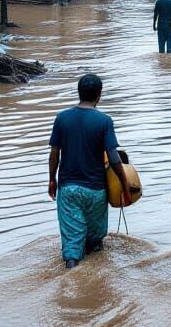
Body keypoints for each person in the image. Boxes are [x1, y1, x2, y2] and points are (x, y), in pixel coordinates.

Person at [48, 74, 129, 269]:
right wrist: (125, 184)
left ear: (79, 93)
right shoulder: (104, 121)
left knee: (72, 245)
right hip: (96, 191)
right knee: (95, 242)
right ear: (99, 95)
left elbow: (54, 154)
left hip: (68, 190)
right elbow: (114, 158)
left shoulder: (62, 118)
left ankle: (71, 275)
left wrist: (52, 179)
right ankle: (97, 282)